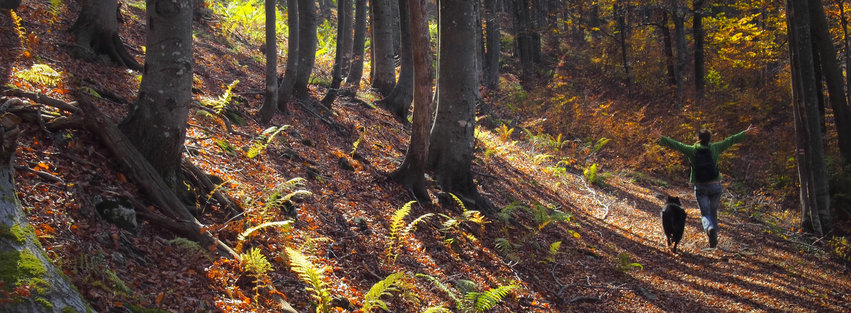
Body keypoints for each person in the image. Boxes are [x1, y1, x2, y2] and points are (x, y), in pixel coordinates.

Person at [654, 125, 756, 249]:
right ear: (710, 138)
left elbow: (677, 145)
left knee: (705, 213)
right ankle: (714, 237)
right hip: (715, 186)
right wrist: (745, 132)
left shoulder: (692, 150)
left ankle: (709, 228)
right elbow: (731, 140)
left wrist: (661, 137)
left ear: (698, 138)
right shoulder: (715, 148)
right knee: (713, 212)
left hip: (700, 186)